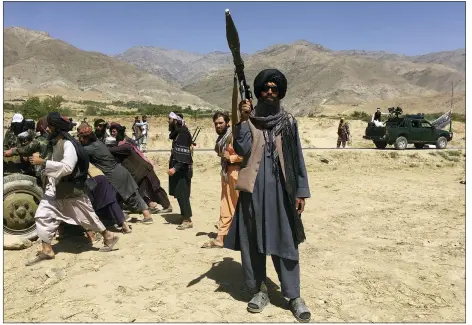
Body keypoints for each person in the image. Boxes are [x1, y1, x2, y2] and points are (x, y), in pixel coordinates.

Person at [224, 69, 312, 322]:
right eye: (266, 88)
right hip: (253, 193)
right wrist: (242, 119)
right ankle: (259, 290)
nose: (270, 92)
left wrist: (301, 192)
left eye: (274, 88)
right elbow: (240, 150)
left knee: (286, 242)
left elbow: (298, 159)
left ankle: (293, 296)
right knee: (253, 243)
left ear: (280, 92)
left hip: (283, 192)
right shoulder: (249, 121)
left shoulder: (289, 122)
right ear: (259, 92)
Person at [25, 112, 119, 266]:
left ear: (56, 128)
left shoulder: (68, 145)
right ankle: (47, 249)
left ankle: (108, 235)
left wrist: (43, 162)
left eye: (48, 127)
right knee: (42, 216)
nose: (46, 129)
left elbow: (68, 167)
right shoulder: (56, 143)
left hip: (69, 189)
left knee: (86, 217)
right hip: (55, 189)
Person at [76, 124, 154, 224]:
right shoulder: (97, 143)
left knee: (120, 196)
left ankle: (127, 217)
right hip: (120, 170)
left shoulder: (89, 149)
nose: (80, 139)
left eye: (81, 137)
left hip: (114, 174)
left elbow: (80, 152)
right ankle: (143, 215)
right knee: (131, 194)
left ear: (86, 138)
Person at [201, 111, 242, 249]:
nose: (218, 125)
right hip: (226, 173)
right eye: (216, 123)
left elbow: (247, 154)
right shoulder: (222, 138)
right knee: (225, 204)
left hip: (236, 173)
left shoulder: (234, 136)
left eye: (221, 123)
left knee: (238, 206)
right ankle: (220, 238)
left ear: (227, 123)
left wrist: (231, 158)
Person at [106, 136, 172, 214]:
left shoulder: (124, 147)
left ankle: (167, 206)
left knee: (155, 188)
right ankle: (150, 204)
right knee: (139, 190)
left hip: (144, 170)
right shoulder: (118, 150)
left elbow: (111, 150)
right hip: (137, 173)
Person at [168, 112, 194, 230]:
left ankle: (187, 219)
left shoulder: (182, 133)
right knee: (179, 193)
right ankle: (184, 215)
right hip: (178, 168)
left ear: (175, 121)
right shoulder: (179, 133)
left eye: (170, 119)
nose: (168, 121)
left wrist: (175, 168)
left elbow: (184, 154)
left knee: (182, 194)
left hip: (182, 169)